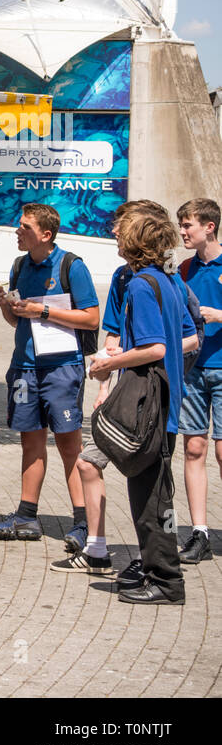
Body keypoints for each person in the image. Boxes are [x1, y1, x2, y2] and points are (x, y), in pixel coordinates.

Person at [53, 204, 197, 580]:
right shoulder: (155, 279)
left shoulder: (144, 283)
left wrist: (107, 366)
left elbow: (159, 347)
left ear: (135, 236)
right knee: (151, 488)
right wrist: (108, 384)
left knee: (150, 491)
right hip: (146, 400)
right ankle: (146, 563)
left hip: (147, 401)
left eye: (120, 229)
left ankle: (162, 573)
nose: (114, 234)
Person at [0, 203, 98, 546]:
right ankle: (26, 516)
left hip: (62, 367)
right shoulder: (19, 266)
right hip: (25, 367)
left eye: (25, 227)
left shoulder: (71, 266)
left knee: (68, 444)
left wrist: (43, 309)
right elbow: (17, 321)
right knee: (30, 441)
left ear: (45, 235)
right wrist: (6, 304)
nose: (18, 232)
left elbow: (92, 318)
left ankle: (83, 522)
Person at [175, 198, 222, 563]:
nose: (182, 231)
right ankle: (199, 533)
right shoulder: (185, 268)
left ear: (209, 226)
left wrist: (217, 314)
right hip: (191, 371)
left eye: (187, 225)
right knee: (193, 448)